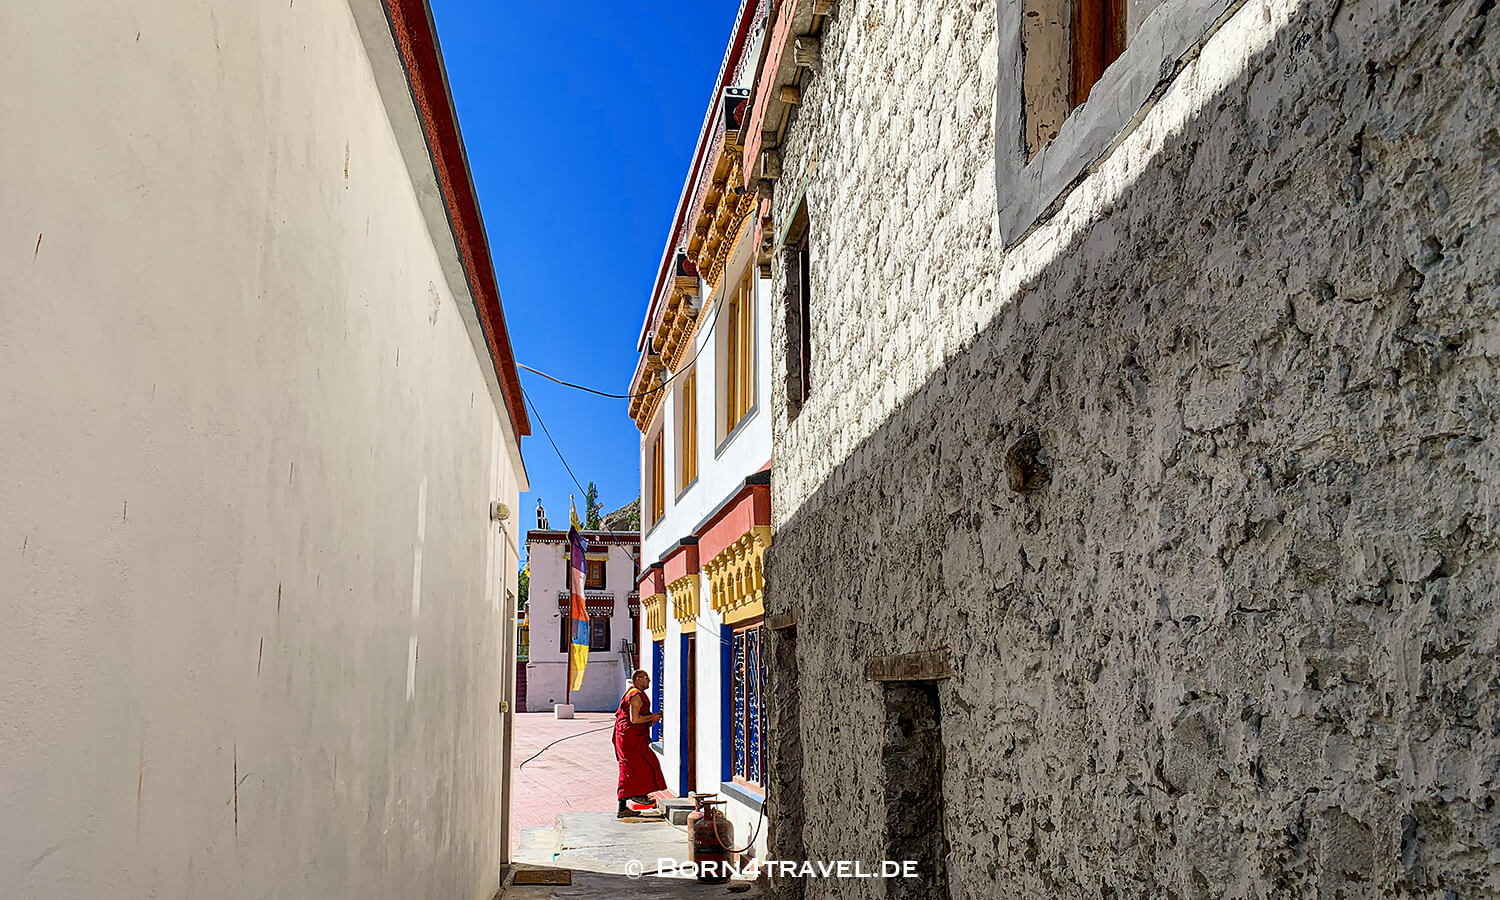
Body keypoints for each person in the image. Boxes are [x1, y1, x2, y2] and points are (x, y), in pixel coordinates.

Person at [614, 669, 667, 818]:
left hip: (633, 736)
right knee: (631, 768)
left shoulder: (636, 693)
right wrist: (653, 716)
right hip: (629, 739)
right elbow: (635, 720)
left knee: (642, 765)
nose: (649, 681)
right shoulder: (635, 695)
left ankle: (637, 796)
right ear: (638, 679)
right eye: (646, 678)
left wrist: (650, 719)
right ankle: (627, 803)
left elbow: (639, 721)